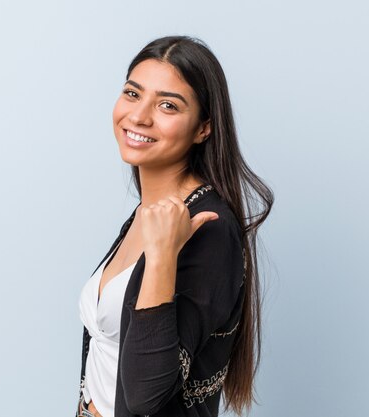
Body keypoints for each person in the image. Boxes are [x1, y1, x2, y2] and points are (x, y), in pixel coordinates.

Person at [75, 35, 273, 417]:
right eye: (133, 94)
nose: (139, 116)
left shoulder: (210, 229)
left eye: (167, 104)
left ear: (204, 129)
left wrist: (163, 255)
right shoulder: (147, 215)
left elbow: (146, 395)